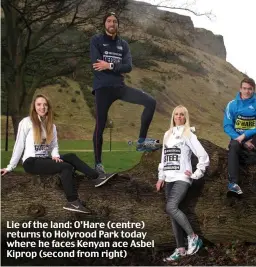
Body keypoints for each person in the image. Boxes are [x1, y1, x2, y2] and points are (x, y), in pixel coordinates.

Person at [1, 94, 116, 214]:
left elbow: (54, 145)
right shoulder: (26, 122)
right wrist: (10, 167)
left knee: (71, 156)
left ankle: (97, 177)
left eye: (45, 105)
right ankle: (73, 202)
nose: (42, 107)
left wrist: (55, 155)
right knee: (66, 167)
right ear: (34, 107)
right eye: (39, 104)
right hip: (31, 162)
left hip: (45, 159)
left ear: (48, 107)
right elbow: (19, 145)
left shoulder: (52, 126)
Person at [90, 11, 161, 174]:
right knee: (100, 125)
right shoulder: (96, 41)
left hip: (120, 87)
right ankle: (98, 165)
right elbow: (96, 64)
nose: (112, 24)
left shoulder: (124, 45)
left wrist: (110, 66)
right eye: (109, 21)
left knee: (151, 102)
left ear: (117, 25)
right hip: (102, 88)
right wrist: (116, 66)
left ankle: (141, 142)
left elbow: (128, 67)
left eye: (114, 21)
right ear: (104, 24)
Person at [156, 105, 209, 262]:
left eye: (182, 115)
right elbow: (163, 159)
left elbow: (203, 156)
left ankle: (193, 237)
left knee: (171, 207)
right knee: (174, 213)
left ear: (186, 117)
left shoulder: (188, 134)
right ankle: (180, 249)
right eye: (176, 114)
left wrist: (196, 173)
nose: (178, 117)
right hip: (169, 178)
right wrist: (161, 177)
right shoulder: (167, 134)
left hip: (182, 178)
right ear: (173, 116)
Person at [223, 77, 256, 194]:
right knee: (233, 145)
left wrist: (245, 135)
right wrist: (242, 140)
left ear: (253, 90)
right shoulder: (232, 105)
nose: (247, 91)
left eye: (250, 89)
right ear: (240, 89)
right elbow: (227, 126)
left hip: (254, 141)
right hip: (238, 141)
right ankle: (233, 183)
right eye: (244, 88)